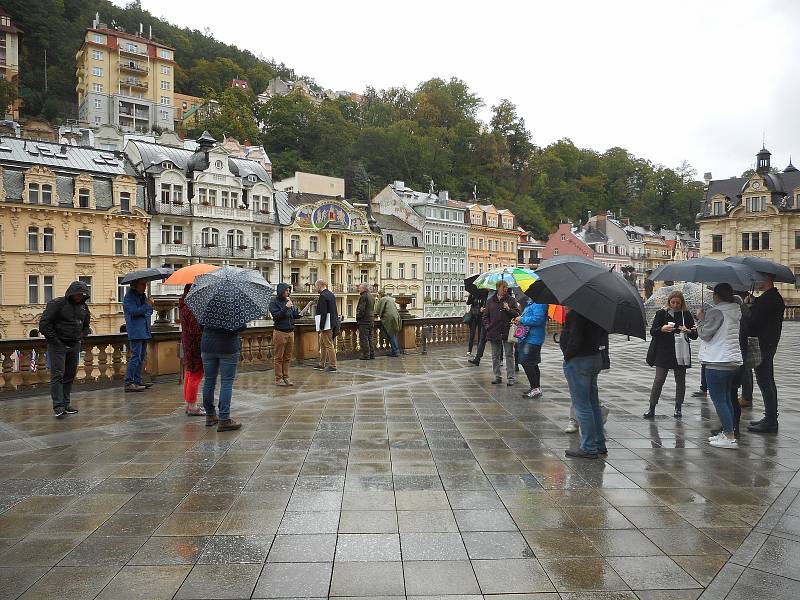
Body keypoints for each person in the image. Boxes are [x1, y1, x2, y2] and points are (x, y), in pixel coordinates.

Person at [697, 283, 742, 449]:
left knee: (719, 400)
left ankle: (729, 436)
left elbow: (704, 334)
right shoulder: (735, 310)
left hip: (717, 361)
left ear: (717, 295)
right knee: (727, 399)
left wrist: (701, 320)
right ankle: (728, 432)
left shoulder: (717, 312)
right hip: (732, 361)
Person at [560, 307, 609, 458]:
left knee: (582, 405)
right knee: (593, 403)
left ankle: (588, 446)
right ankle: (599, 443)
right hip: (594, 357)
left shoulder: (576, 313)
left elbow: (575, 339)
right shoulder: (598, 312)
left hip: (579, 360)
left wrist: (567, 356)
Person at [39, 281, 91, 418]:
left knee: (69, 376)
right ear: (71, 292)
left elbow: (86, 326)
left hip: (74, 345)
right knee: (57, 376)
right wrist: (57, 342)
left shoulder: (84, 308)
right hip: (58, 346)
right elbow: (44, 325)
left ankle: (66, 404)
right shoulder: (57, 304)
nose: (80, 296)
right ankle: (58, 407)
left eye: (82, 294)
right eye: (78, 294)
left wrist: (81, 337)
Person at [644, 290, 698, 419]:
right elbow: (653, 331)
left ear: (682, 303)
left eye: (678, 303)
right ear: (669, 302)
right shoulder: (661, 313)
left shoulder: (686, 315)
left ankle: (678, 407)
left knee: (680, 381)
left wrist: (688, 330)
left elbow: (695, 335)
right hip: (663, 351)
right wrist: (662, 329)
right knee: (659, 379)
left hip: (681, 352)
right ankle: (652, 407)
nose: (675, 305)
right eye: (672, 302)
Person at [746, 274, 784, 434]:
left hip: (763, 344)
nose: (756, 282)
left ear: (766, 280)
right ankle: (770, 418)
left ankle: (770, 420)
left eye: (758, 279)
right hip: (769, 343)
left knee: (765, 381)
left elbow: (754, 321)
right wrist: (755, 302)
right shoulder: (774, 297)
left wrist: (749, 307)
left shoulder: (767, 300)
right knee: (768, 380)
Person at [201, 323, 244, 432]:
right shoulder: (233, 307)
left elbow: (201, 325)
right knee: (226, 383)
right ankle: (224, 418)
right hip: (227, 346)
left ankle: (210, 415)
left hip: (208, 345)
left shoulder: (207, 306)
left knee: (209, 382)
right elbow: (241, 326)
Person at [483, 281, 520, 385]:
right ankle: (497, 376)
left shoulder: (511, 300)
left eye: (506, 287)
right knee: (495, 355)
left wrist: (508, 309)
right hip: (494, 331)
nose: (505, 289)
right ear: (498, 288)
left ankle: (511, 378)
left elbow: (517, 314)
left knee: (509, 354)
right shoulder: (490, 301)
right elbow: (485, 316)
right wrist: (488, 327)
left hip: (507, 331)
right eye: (503, 287)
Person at [123, 279, 154, 392]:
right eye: (142, 284)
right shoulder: (129, 297)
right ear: (135, 285)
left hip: (144, 330)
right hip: (136, 331)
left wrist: (147, 307)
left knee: (141, 357)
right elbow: (133, 312)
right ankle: (129, 382)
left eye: (145, 284)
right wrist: (146, 306)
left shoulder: (142, 296)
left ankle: (137, 380)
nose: (145, 286)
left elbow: (148, 312)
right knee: (135, 357)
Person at [179, 284, 205, 415]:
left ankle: (189, 403)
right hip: (195, 346)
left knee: (189, 373)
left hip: (188, 344)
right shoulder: (192, 307)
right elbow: (196, 330)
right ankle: (192, 405)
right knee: (196, 374)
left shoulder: (184, 304)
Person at [269, 283, 301, 386]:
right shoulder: (273, 302)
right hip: (280, 332)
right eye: (286, 290)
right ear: (281, 291)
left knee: (287, 357)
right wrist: (285, 307)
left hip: (290, 332)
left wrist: (299, 314)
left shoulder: (289, 301)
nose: (288, 292)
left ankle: (286, 377)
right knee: (279, 357)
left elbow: (293, 315)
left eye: (289, 290)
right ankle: (278, 378)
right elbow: (276, 316)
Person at [515, 298, 548, 399]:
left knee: (527, 362)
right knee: (532, 363)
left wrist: (522, 319)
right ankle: (536, 387)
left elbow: (538, 319)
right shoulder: (532, 303)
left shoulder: (540, 303)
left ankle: (535, 388)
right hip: (528, 337)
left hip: (533, 338)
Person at [314, 280, 338, 372]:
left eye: (316, 286)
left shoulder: (323, 296)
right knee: (322, 343)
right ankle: (321, 363)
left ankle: (333, 365)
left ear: (320, 285)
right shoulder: (330, 294)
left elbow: (323, 312)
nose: (316, 288)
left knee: (328, 344)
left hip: (326, 324)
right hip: (332, 322)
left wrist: (321, 326)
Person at [375, 291, 402, 357]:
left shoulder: (382, 299)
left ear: (380, 295)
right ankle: (395, 350)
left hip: (389, 318)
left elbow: (377, 310)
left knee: (391, 335)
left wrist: (377, 301)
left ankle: (395, 351)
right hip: (396, 317)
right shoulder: (390, 298)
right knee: (394, 334)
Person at [356, 283, 376, 360]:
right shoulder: (371, 296)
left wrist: (358, 317)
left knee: (364, 338)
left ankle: (366, 355)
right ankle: (372, 354)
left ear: (364, 289)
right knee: (370, 338)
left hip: (364, 321)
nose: (358, 289)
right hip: (371, 320)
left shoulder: (363, 297)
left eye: (360, 288)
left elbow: (361, 309)